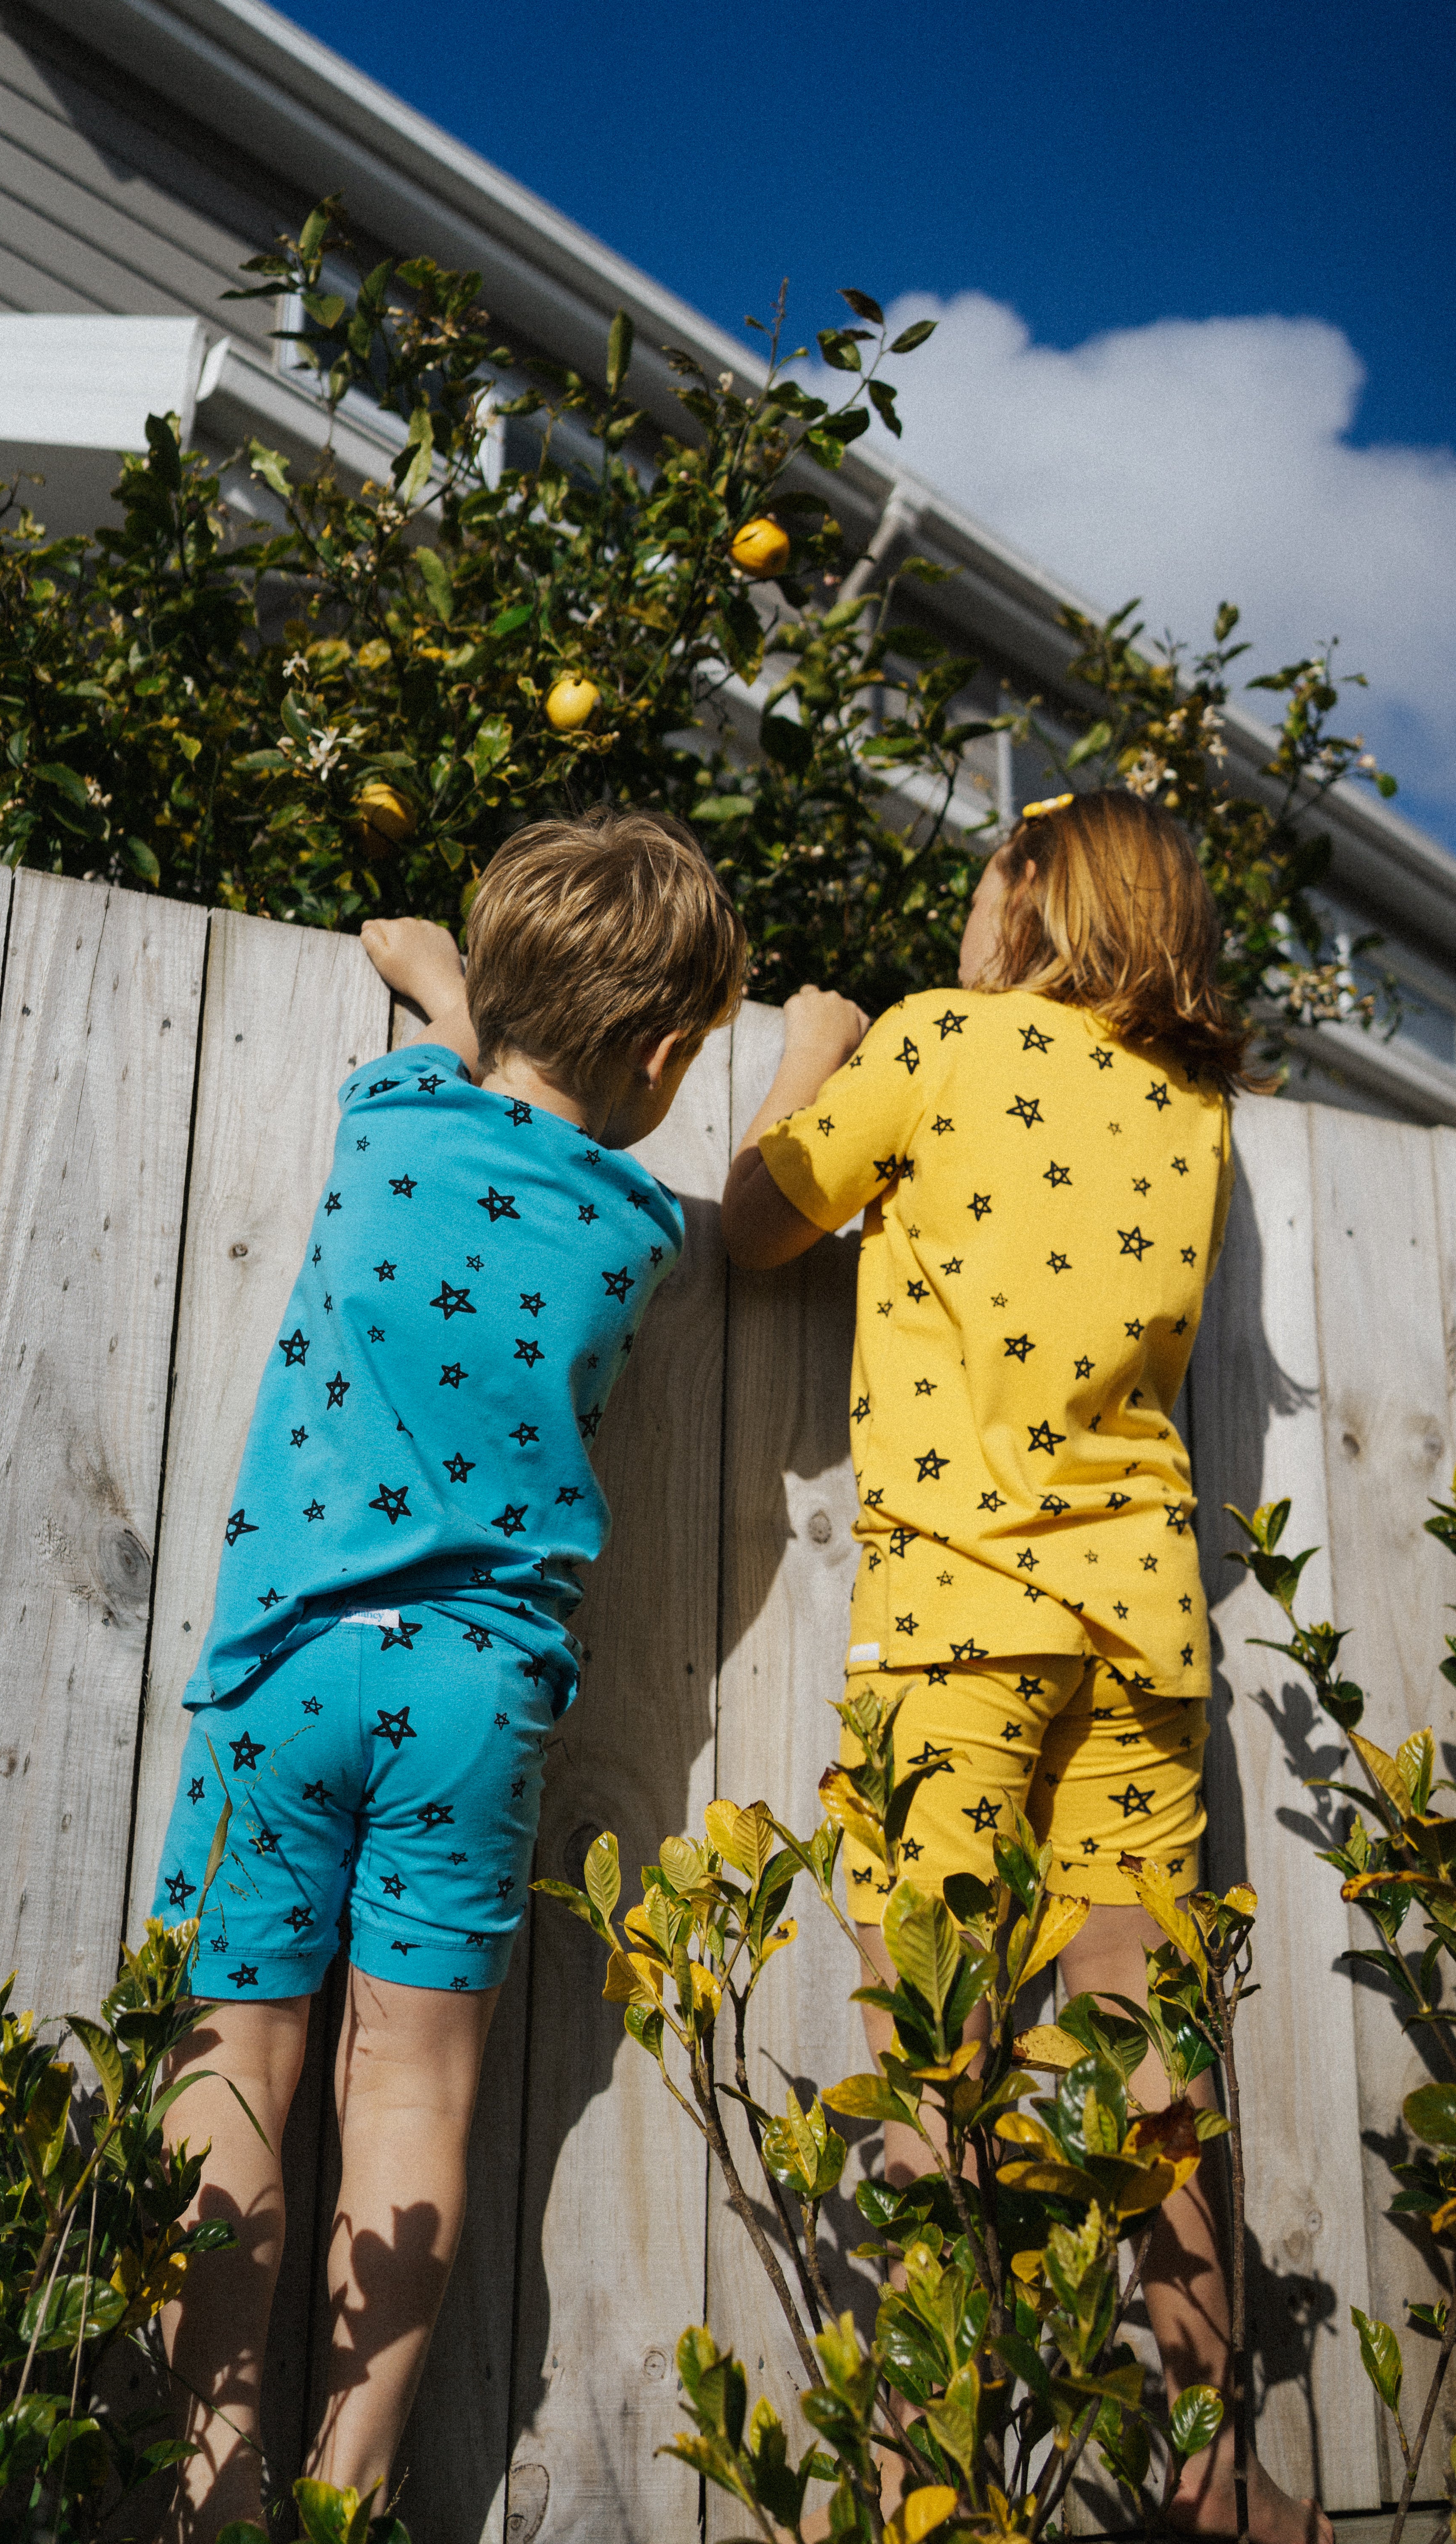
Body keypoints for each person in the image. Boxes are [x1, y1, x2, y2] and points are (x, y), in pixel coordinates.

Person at [719, 788, 1328, 2544]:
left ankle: (932, 2478)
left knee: (942, 2047)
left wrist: (810, 1051)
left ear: (1030, 901)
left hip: (963, 1624)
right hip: (1141, 1628)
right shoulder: (1188, 1114)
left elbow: (757, 1225)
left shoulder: (931, 1043)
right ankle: (1223, 2471)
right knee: (1149, 2049)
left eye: (987, 885)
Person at [152, 808, 747, 2539]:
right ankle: (343, 2501)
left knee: (235, 2060)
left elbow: (430, 1003)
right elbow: (534, 1089)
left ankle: (211, 2486)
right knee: (415, 2092)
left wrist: (436, 972)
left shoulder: (393, 1116)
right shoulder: (634, 1228)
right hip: (474, 1702)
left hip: (288, 1670)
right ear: (658, 1053)